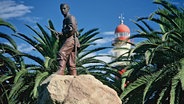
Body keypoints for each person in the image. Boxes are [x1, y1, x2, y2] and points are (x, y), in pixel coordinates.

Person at [57, 3, 80, 75]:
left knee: (62, 53)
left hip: (71, 38)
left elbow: (72, 29)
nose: (62, 10)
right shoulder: (65, 20)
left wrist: (64, 32)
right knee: (71, 61)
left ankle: (60, 71)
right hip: (70, 38)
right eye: (61, 9)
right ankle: (73, 75)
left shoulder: (70, 17)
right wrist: (61, 34)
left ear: (68, 9)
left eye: (64, 8)